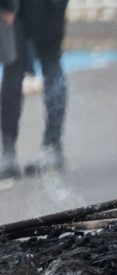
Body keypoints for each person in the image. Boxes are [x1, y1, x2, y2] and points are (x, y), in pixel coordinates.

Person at [0, 0, 68, 181]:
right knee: (13, 69)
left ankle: (52, 145)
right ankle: (8, 152)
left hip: (47, 7)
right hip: (18, 7)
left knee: (51, 66)